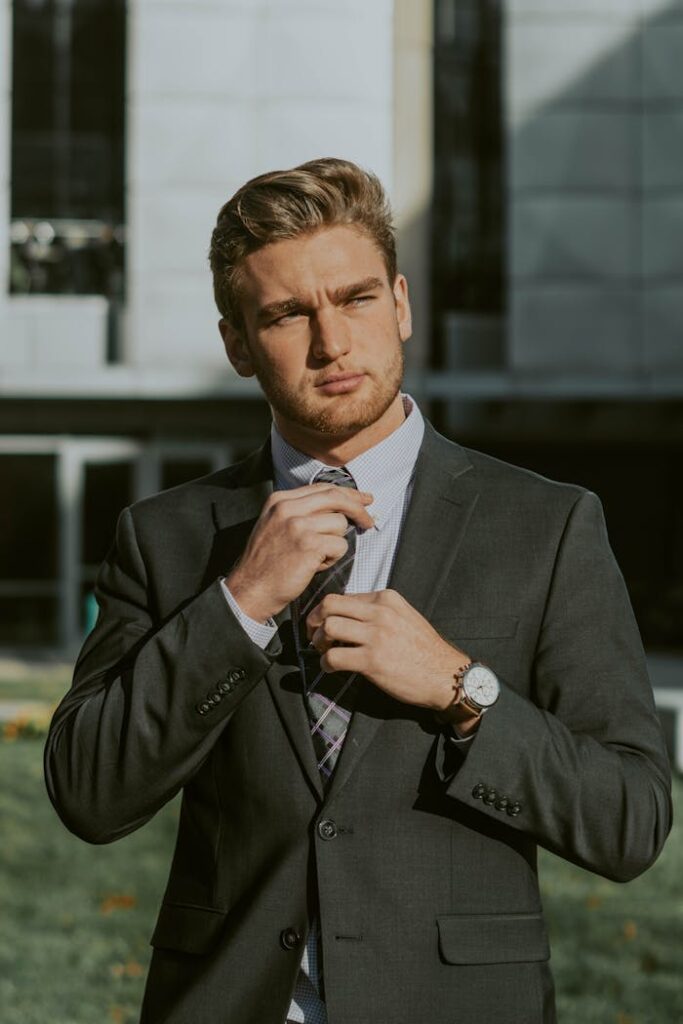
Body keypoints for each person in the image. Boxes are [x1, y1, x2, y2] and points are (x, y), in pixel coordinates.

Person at [44, 158, 672, 1024]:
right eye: (287, 313)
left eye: (356, 299)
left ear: (402, 304)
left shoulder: (547, 526)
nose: (331, 343)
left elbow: (629, 820)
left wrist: (463, 690)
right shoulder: (167, 537)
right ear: (235, 343)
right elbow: (88, 793)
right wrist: (239, 604)